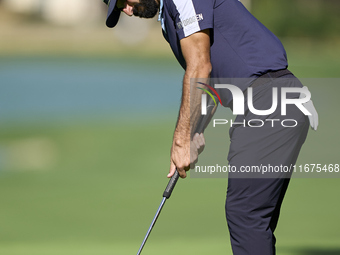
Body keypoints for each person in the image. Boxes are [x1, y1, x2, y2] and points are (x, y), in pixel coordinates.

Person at [102, 0, 318, 254]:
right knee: (255, 219)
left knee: (245, 213)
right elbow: (211, 83)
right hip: (275, 103)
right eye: (119, 9)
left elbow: (200, 67)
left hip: (269, 101)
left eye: (123, 1)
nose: (127, 10)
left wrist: (181, 141)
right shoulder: (169, 21)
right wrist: (194, 132)